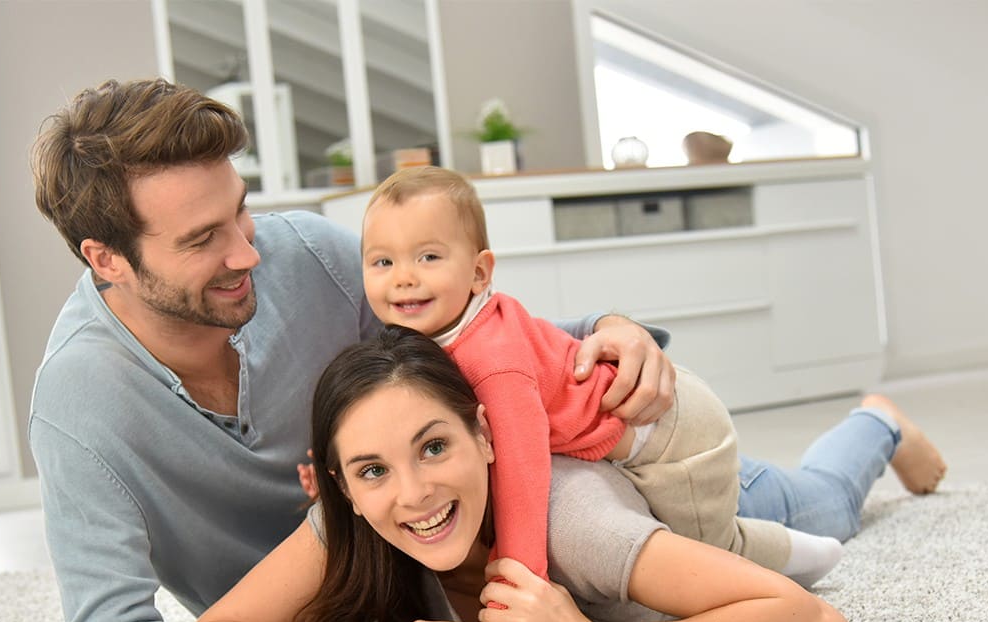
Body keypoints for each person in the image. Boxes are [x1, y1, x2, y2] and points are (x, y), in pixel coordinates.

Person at [27, 78, 676, 622]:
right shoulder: (79, 403)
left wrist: (604, 328)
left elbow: (472, 337)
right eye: (202, 239)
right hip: (327, 599)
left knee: (710, 512)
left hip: (447, 546)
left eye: (240, 211)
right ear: (106, 259)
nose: (247, 254)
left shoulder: (309, 257)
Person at [192, 326, 859, 622]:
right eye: (373, 471)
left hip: (697, 492)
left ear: (484, 436)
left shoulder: (577, 525)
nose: (414, 494)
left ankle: (879, 421)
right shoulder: (356, 522)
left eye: (433, 447)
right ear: (342, 486)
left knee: (830, 501)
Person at [358, 166, 845, 588]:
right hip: (623, 435)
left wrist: (521, 571)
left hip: (674, 433)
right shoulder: (441, 329)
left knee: (710, 554)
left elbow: (522, 470)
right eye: (383, 262)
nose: (403, 277)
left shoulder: (492, 360)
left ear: (480, 273)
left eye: (428, 257)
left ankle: (813, 556)